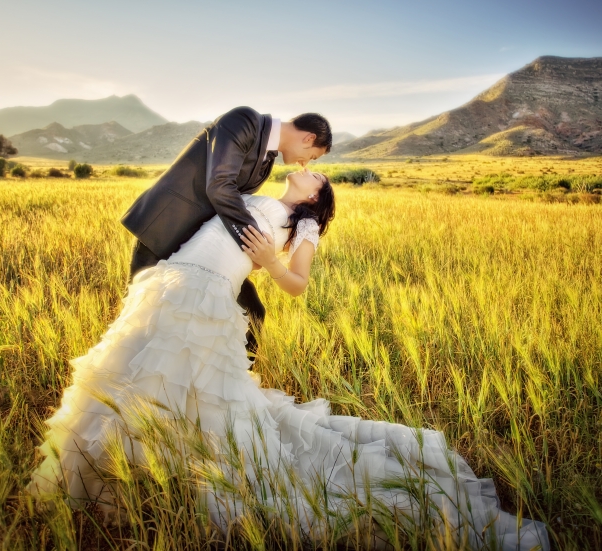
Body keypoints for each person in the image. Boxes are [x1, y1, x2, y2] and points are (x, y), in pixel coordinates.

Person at [28, 170, 549, 551]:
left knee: (201, 401)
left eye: (317, 174)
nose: (309, 168)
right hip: (176, 290)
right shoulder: (253, 195)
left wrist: (269, 261)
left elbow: (296, 285)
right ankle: (114, 477)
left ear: (316, 195)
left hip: (207, 305)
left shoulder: (303, 228)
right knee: (141, 379)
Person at [121, 106, 332, 355]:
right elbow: (220, 185)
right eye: (312, 157)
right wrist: (251, 243)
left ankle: (236, 377)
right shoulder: (245, 120)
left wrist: (253, 252)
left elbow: (238, 201)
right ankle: (121, 380)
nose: (305, 164)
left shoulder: (268, 160)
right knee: (140, 309)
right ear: (308, 138)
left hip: (204, 243)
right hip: (166, 226)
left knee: (252, 311)